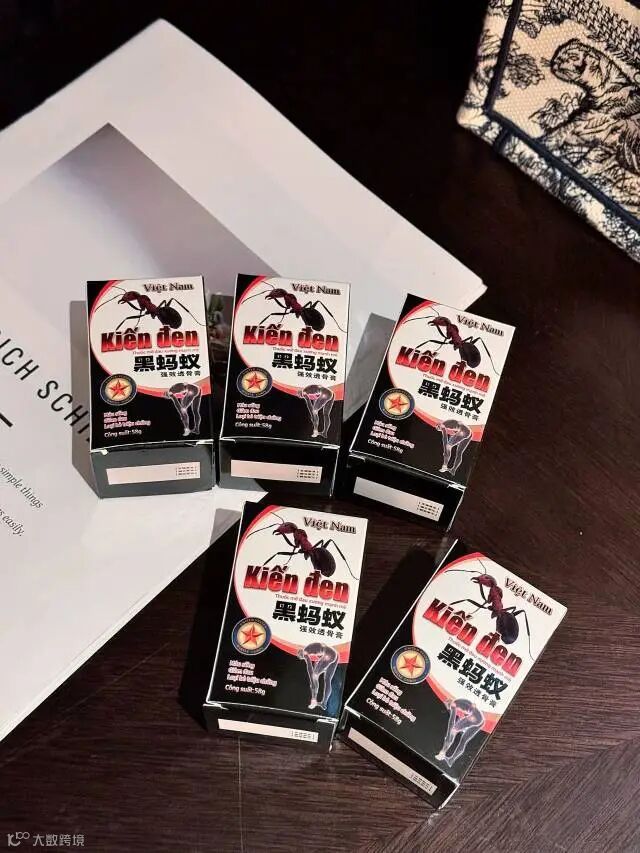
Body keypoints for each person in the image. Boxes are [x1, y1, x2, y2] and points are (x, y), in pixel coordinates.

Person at [435, 698, 484, 766]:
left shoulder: (455, 705)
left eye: (448, 707)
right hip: (476, 718)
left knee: (459, 737)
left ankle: (445, 755)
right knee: (458, 735)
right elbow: (452, 724)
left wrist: (450, 735)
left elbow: (452, 721)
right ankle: (449, 759)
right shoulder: (458, 703)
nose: (449, 709)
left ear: (451, 703)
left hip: (477, 719)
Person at [297, 642, 339, 710]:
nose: (306, 657)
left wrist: (319, 668)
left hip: (329, 655)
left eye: (304, 656)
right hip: (333, 655)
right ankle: (324, 704)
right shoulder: (307, 651)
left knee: (315, 676)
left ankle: (314, 700)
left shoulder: (309, 649)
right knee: (327, 679)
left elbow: (310, 668)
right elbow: (310, 668)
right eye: (304, 657)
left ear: (303, 652)